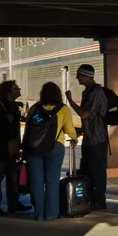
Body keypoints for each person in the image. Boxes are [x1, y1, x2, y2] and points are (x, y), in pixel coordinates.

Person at [24, 82, 77, 221]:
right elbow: (70, 129)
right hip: (55, 147)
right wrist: (74, 138)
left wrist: (25, 146)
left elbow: (28, 128)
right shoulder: (63, 109)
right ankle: (51, 213)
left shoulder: (35, 108)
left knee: (36, 182)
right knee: (52, 181)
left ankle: (39, 214)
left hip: (35, 148)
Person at [0, 80, 30, 216]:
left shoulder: (13, 107)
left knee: (13, 178)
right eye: (16, 88)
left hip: (11, 149)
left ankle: (13, 203)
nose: (19, 90)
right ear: (8, 91)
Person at [66, 65, 108, 211]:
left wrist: (71, 102)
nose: (77, 78)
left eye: (79, 75)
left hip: (97, 138)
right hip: (90, 137)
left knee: (98, 172)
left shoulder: (96, 92)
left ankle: (99, 201)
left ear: (86, 76)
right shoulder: (88, 92)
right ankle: (89, 199)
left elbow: (84, 114)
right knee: (87, 170)